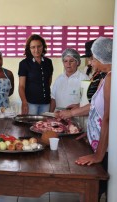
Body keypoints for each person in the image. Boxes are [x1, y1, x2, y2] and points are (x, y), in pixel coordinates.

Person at [75, 37, 112, 201]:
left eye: (93, 59)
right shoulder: (106, 76)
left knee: (94, 190)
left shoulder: (111, 78)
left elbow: (108, 118)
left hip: (107, 150)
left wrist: (98, 155)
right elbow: (97, 111)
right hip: (101, 144)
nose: (90, 63)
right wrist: (90, 132)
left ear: (102, 58)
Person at [18, 34, 54, 115]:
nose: (36, 50)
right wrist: (24, 102)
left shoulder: (48, 62)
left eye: (39, 46)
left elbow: (48, 81)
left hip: (46, 102)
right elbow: (21, 86)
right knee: (29, 126)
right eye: (33, 47)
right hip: (30, 103)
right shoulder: (24, 64)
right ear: (29, 48)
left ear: (43, 47)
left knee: (44, 125)